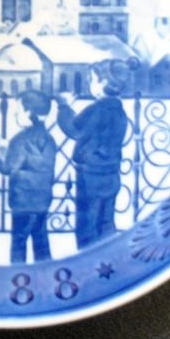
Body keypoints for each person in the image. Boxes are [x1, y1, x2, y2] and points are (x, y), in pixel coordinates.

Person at [56, 60, 128, 249]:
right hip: (111, 173)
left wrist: (64, 106)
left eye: (92, 80)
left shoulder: (96, 110)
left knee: (87, 223)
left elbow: (74, 129)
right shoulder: (120, 111)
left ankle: (86, 257)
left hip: (90, 174)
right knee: (106, 222)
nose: (89, 84)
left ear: (103, 83)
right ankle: (108, 256)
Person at [0, 90, 57, 263]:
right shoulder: (49, 139)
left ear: (29, 112)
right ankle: (45, 272)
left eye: (18, 110)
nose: (15, 114)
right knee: (41, 242)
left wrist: (0, 151)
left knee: (19, 243)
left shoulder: (20, 140)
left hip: (22, 201)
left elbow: (8, 168)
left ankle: (18, 272)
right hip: (43, 199)